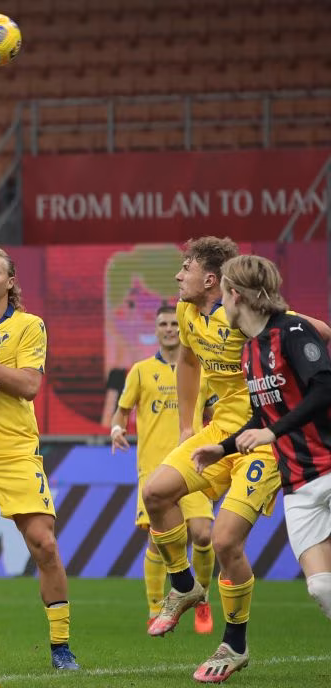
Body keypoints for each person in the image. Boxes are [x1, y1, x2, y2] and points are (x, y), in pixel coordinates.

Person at [140, 237, 331, 683]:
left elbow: (319, 331)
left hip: (262, 439)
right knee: (156, 492)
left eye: (185, 268)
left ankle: (235, 644)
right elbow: (188, 362)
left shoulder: (254, 316)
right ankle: (184, 586)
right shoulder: (187, 312)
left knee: (224, 541)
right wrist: (187, 425)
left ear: (213, 280)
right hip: (218, 433)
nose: (177, 276)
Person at [191, 255, 331, 679]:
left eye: (223, 293)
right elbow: (262, 415)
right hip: (299, 484)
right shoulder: (250, 350)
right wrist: (222, 448)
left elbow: (324, 387)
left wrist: (274, 432)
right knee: (321, 588)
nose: (220, 303)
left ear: (235, 294)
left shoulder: (292, 331)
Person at [0, 247, 80, 671]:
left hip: (14, 449)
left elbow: (28, 386)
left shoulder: (29, 325)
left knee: (44, 543)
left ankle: (60, 647)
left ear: (10, 282)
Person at [110, 305, 216, 632]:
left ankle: (201, 598)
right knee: (157, 541)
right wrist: (117, 429)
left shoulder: (200, 370)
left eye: (173, 323)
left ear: (180, 329)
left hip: (193, 464)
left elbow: (215, 412)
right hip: (154, 468)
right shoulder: (141, 371)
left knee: (202, 534)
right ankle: (156, 608)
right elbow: (121, 411)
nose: (169, 328)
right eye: (163, 324)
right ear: (156, 330)